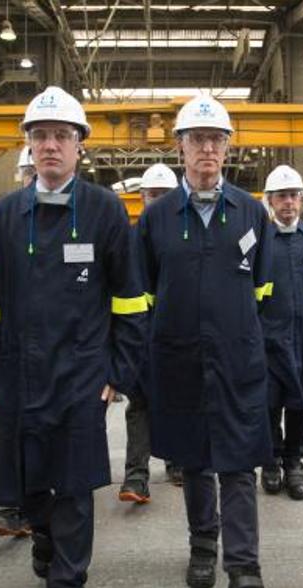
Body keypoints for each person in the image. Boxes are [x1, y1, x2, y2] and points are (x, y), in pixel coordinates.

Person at [0, 86, 148, 588]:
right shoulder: (4, 215)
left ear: (79, 147)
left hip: (81, 379)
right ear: (29, 145)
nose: (50, 145)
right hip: (21, 379)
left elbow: (129, 301)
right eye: (41, 135)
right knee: (30, 484)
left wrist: (117, 375)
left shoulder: (104, 212)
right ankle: (45, 545)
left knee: (73, 490)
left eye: (62, 136)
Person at [136, 95, 277, 588]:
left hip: (237, 357)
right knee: (195, 460)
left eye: (216, 139)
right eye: (197, 139)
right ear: (180, 147)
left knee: (239, 462)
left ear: (227, 147)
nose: (207, 149)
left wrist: (244, 333)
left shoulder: (250, 211)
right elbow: (142, 290)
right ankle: (202, 544)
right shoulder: (155, 218)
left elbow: (263, 286)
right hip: (178, 358)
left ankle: (245, 573)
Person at [258, 164, 303, 501]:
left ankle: (294, 464)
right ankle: (271, 460)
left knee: (300, 404)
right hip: (267, 339)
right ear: (269, 201)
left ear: (302, 199)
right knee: (270, 403)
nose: (288, 202)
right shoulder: (257, 238)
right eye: (281, 197)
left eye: (293, 195)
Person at [119, 162, 182, 504]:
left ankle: (177, 462)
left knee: (176, 400)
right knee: (139, 403)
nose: (157, 201)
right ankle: (136, 477)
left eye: (164, 195)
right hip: (140, 337)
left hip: (177, 335)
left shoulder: (185, 235)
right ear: (141, 197)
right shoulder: (129, 236)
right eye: (153, 195)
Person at [0, 144, 37, 537]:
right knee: (11, 432)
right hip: (15, 351)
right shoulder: (6, 218)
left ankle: (45, 506)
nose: (35, 180)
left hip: (65, 354)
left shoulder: (84, 216)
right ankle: (11, 506)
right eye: (29, 173)